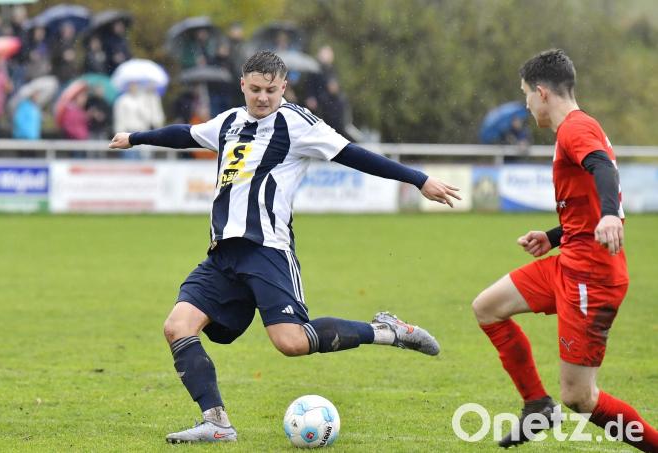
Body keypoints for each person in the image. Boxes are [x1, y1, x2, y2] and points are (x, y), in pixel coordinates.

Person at [109, 50, 461, 444]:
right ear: (243, 85)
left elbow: (355, 155)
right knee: (177, 327)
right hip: (223, 254)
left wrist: (418, 179)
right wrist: (135, 138)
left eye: (271, 90)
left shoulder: (298, 124)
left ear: (284, 86)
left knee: (291, 343)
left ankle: (387, 331)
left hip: (267, 251)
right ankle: (217, 423)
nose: (263, 97)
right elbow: (183, 135)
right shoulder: (228, 121)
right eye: (256, 89)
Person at [472, 49, 658, 451]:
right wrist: (554, 237)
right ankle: (537, 405)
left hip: (592, 277)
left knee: (579, 398)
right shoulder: (578, 128)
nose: (525, 105)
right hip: (570, 261)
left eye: (525, 95)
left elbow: (603, 170)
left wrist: (609, 216)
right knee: (487, 307)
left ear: (541, 93)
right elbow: (588, 198)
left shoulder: (575, 130)